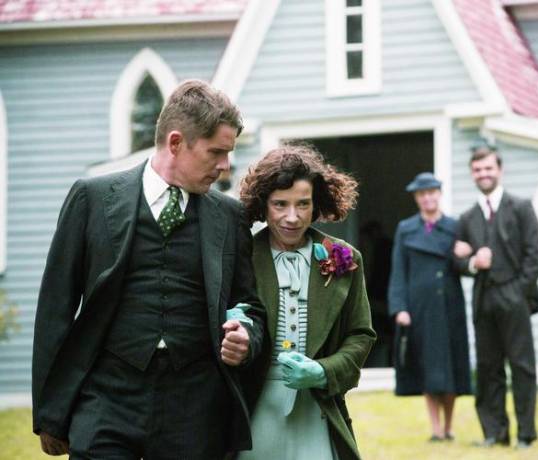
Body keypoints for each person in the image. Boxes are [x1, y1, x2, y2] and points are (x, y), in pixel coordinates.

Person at [31, 79, 266, 459]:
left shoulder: (230, 215)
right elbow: (55, 308)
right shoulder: (91, 199)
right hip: (106, 398)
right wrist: (49, 411)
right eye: (216, 153)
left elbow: (249, 305)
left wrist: (247, 335)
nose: (225, 167)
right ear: (176, 143)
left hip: (195, 405)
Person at [238, 144, 376, 460]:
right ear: (263, 205)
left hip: (317, 408)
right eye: (280, 204)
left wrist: (324, 371)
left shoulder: (344, 257)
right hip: (255, 409)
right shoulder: (240, 256)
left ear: (316, 205)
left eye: (303, 204)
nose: (292, 217)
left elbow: (361, 334)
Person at [453, 142, 538, 449]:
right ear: (472, 174)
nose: (484, 174)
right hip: (483, 300)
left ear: (500, 170)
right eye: (478, 170)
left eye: (488, 168)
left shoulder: (521, 207)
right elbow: (458, 261)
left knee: (521, 367)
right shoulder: (467, 218)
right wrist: (471, 263)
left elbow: (535, 255)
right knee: (488, 369)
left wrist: (518, 291)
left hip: (514, 296)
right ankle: (494, 433)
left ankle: (526, 435)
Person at [387, 172, 472, 442]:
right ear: (416, 198)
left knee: (450, 367)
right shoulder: (406, 228)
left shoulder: (455, 226)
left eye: (432, 192)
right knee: (428, 368)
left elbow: (464, 265)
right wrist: (399, 307)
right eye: (422, 194)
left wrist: (467, 254)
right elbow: (398, 270)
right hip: (419, 308)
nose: (427, 198)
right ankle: (435, 429)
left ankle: (449, 427)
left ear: (439, 194)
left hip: (449, 305)